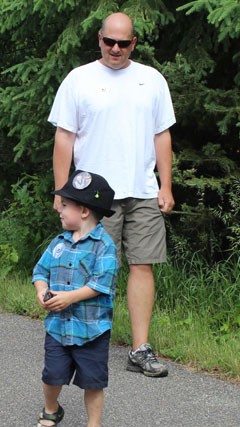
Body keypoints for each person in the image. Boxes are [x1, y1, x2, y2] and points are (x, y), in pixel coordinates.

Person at [49, 12, 175, 377]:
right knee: (90, 265)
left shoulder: (151, 80)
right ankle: (81, 341)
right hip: (93, 195)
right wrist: (62, 190)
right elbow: (64, 137)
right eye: (110, 42)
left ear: (133, 43)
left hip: (142, 189)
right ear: (100, 39)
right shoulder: (79, 79)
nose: (116, 49)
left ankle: (140, 349)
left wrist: (165, 185)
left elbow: (162, 135)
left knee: (142, 264)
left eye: (124, 43)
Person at [32, 170, 118, 427]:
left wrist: (68, 297)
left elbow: (100, 284)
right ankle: (50, 410)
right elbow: (40, 271)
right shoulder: (58, 242)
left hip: (92, 329)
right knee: (52, 375)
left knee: (93, 381)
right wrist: (41, 291)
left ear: (83, 211)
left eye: (65, 205)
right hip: (58, 327)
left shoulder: (104, 246)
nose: (60, 209)